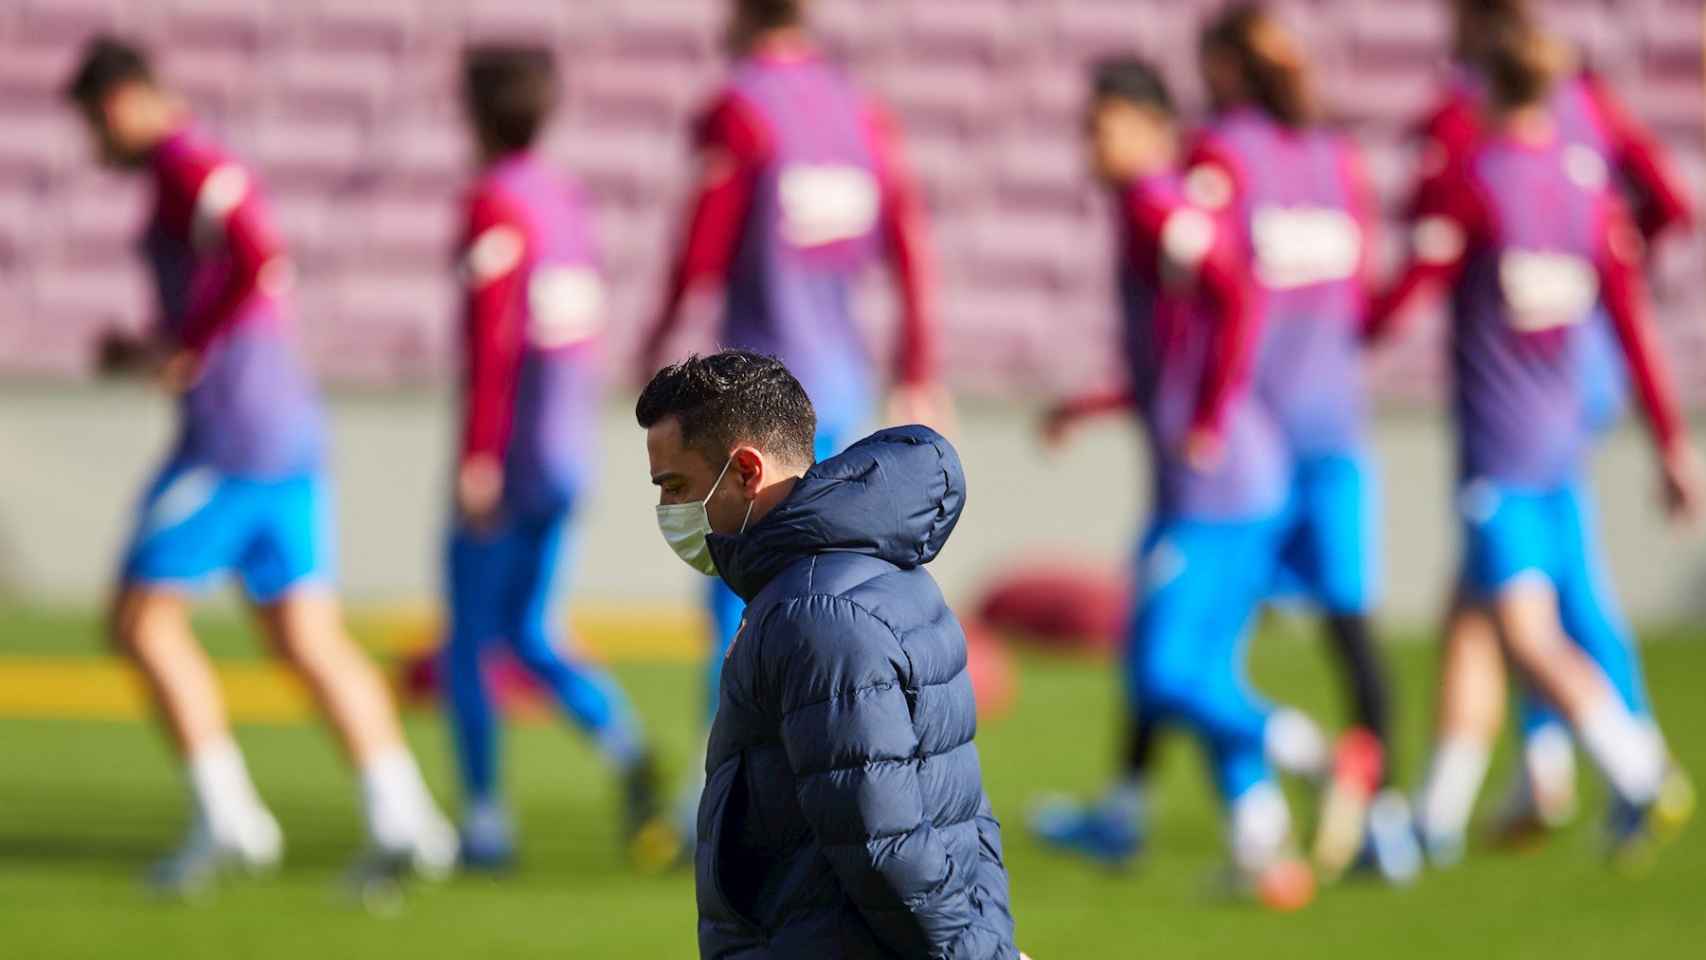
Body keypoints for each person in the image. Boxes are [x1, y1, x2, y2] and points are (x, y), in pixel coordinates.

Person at [65, 37, 454, 893]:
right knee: (305, 635)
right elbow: (234, 270)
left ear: (123, 99)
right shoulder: (186, 167)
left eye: (96, 122)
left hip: (232, 436)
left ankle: (228, 815)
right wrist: (157, 348)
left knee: (139, 621)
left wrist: (191, 349)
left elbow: (252, 248)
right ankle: (406, 816)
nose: (96, 145)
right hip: (287, 427)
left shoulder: (181, 160)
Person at [1368, 21, 1703, 866]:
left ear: (1483, 87)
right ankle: (1433, 823)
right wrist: (1670, 443)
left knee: (1526, 631)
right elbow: (1630, 326)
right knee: (1472, 619)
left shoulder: (1478, 184)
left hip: (1502, 451)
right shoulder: (1588, 189)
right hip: (1562, 444)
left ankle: (1639, 772)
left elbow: (1411, 290)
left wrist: (1349, 326)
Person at [637, 0, 947, 841]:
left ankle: (729, 783)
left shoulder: (737, 107)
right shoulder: (858, 109)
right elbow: (908, 239)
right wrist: (918, 362)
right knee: (843, 586)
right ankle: (854, 769)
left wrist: (657, 343)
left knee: (737, 586)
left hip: (752, 395)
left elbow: (700, 248)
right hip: (836, 388)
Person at [1028, 58, 1316, 909]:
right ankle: (1260, 844)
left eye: (1105, 123)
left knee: (1164, 672)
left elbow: (1239, 291)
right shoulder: (1140, 206)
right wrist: (1091, 405)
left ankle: (1321, 756)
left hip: (1220, 490)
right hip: (1207, 486)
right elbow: (1173, 358)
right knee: (1191, 664)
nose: (1092, 142)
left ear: (1153, 127)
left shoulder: (1158, 203)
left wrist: (1212, 417)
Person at [635, 351, 1017, 958]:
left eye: (675, 487)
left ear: (744, 471)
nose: (669, 514)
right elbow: (964, 818)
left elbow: (880, 836)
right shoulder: (866, 573)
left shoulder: (814, 612)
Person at [1183, 3, 1416, 882]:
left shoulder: (1221, 156)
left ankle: (1258, 821)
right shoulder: (1338, 160)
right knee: (1351, 630)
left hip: (1257, 444)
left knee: (1208, 640)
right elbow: (1369, 309)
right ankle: (1379, 820)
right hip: (1337, 431)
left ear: (1230, 69)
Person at [443, 45, 662, 870]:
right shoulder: (565, 200)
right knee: (531, 629)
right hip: (568, 449)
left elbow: (493, 338)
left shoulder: (494, 204)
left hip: (512, 450)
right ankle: (625, 748)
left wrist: (478, 453)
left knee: (470, 637)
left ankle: (485, 822)